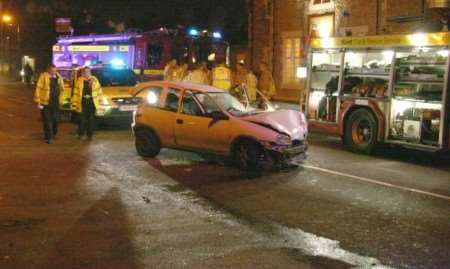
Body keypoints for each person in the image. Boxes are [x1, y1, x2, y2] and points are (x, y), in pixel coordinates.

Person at [34, 64, 65, 144]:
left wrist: (61, 100)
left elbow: (62, 89)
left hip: (56, 103)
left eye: (54, 70)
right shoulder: (43, 77)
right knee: (47, 120)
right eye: (51, 70)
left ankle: (53, 133)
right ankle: (48, 137)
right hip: (45, 103)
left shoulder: (59, 77)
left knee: (56, 120)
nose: (53, 72)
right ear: (48, 70)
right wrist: (38, 101)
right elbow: (38, 88)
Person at [72, 67, 103, 140]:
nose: (86, 73)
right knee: (81, 119)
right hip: (82, 102)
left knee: (91, 119)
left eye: (88, 72)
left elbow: (99, 92)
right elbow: (76, 93)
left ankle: (90, 134)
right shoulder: (79, 81)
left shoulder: (95, 81)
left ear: (90, 72)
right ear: (82, 73)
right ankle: (81, 133)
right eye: (85, 72)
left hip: (91, 102)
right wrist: (74, 103)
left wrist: (100, 101)